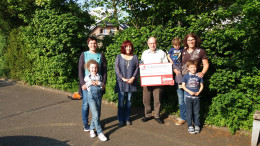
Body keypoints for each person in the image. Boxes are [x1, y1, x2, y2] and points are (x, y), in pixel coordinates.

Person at [174, 33, 209, 125]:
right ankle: (183, 117)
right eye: (188, 40)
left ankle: (193, 120)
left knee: (190, 101)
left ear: (196, 40)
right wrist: (174, 69)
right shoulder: (182, 50)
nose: (191, 42)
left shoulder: (200, 51)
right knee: (181, 99)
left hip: (192, 80)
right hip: (181, 78)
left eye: (192, 39)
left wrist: (202, 73)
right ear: (186, 42)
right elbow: (175, 61)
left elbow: (206, 64)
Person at [78, 36, 107, 132]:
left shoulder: (101, 55)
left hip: (98, 85)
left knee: (98, 105)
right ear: (88, 44)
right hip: (87, 85)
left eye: (95, 43)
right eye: (91, 43)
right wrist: (82, 83)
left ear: (97, 44)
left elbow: (104, 71)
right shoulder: (84, 54)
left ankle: (96, 123)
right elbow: (80, 71)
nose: (93, 45)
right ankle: (85, 124)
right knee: (86, 104)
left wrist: (103, 83)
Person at [140, 37, 168, 124]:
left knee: (157, 98)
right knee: (146, 98)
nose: (152, 45)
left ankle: (157, 116)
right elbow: (141, 63)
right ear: (148, 44)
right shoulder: (144, 53)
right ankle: (148, 115)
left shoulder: (162, 53)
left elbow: (166, 65)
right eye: (151, 43)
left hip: (158, 80)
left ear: (156, 43)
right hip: (147, 80)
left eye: (154, 43)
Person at [115, 40, 139, 126]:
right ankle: (121, 119)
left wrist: (133, 77)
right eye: (126, 46)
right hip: (121, 82)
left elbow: (137, 68)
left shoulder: (135, 57)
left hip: (131, 83)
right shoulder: (119, 56)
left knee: (129, 101)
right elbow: (116, 69)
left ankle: (127, 118)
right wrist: (123, 78)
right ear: (123, 47)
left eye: (130, 46)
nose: (128, 48)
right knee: (121, 101)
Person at [84, 59, 107, 141]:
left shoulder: (99, 76)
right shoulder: (87, 77)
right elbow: (85, 85)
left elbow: (102, 85)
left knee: (97, 114)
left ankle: (91, 129)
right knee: (96, 115)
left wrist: (99, 83)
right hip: (91, 97)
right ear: (89, 68)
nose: (94, 69)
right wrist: (91, 82)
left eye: (95, 68)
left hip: (99, 96)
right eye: (92, 68)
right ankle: (100, 132)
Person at [182, 60, 204, 134]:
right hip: (188, 97)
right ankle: (190, 126)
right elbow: (183, 86)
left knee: (196, 112)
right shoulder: (186, 76)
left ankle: (197, 125)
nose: (193, 69)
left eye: (194, 67)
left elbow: (201, 86)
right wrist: (189, 91)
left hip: (196, 98)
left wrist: (199, 92)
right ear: (188, 68)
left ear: (196, 68)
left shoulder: (199, 75)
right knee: (189, 112)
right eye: (191, 67)